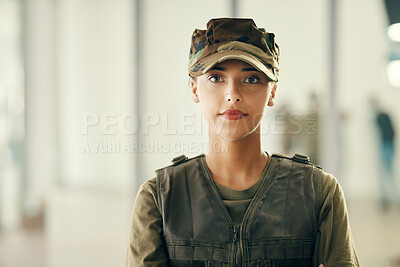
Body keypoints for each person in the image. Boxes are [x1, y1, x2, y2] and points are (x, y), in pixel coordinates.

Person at [125, 18, 359, 267]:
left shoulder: (318, 193)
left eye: (251, 79)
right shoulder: (160, 198)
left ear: (273, 93)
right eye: (216, 78)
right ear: (194, 89)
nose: (233, 95)